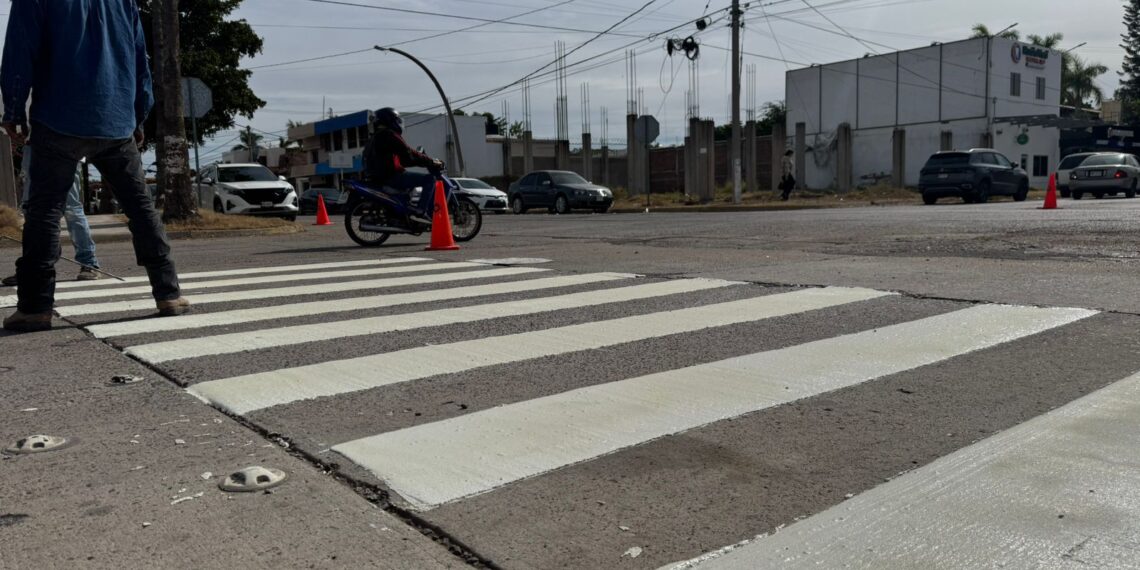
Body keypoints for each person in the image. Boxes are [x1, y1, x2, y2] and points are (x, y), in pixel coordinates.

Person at [1, 0, 188, 332]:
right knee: (140, 207)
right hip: (115, 120)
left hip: (59, 117)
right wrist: (138, 114)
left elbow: (19, 50)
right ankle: (168, 292)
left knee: (45, 211)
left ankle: (35, 306)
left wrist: (14, 111)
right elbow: (139, 59)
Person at [2, 149, 102, 286]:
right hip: (35, 149)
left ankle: (89, 263)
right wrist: (14, 130)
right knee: (31, 210)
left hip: (67, 147)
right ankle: (31, 268)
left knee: (71, 210)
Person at [361, 107, 444, 223]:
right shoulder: (390, 135)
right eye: (397, 120)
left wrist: (423, 160)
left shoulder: (375, 137)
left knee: (409, 180)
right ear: (390, 120)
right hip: (391, 176)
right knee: (430, 179)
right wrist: (431, 162)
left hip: (379, 177)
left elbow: (407, 155)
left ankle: (406, 211)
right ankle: (421, 211)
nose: (399, 123)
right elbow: (408, 154)